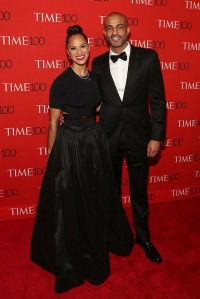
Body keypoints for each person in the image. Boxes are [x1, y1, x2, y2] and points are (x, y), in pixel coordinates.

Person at [30, 25, 134, 294]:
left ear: (89, 48)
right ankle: (76, 255)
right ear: (67, 52)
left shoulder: (96, 78)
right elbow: (53, 123)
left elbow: (97, 105)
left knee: (96, 196)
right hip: (71, 144)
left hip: (94, 142)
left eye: (83, 46)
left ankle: (97, 240)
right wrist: (54, 159)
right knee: (72, 200)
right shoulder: (60, 82)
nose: (79, 51)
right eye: (73, 48)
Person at [92, 12, 166, 263]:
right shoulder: (98, 63)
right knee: (109, 191)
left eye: (119, 27)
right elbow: (96, 100)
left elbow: (157, 100)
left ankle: (143, 237)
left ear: (128, 30)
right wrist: (69, 112)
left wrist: (156, 137)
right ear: (104, 33)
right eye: (109, 28)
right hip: (108, 136)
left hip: (139, 136)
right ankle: (114, 236)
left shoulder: (148, 58)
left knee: (139, 191)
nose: (115, 32)